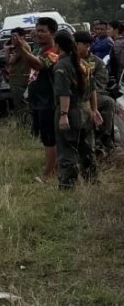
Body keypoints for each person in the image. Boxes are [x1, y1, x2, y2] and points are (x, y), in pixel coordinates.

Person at [14, 17, 61, 181]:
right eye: (37, 30)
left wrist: (22, 49)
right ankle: (53, 167)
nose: (39, 34)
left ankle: (49, 174)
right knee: (45, 137)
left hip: (49, 101)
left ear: (52, 33)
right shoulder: (40, 49)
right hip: (39, 101)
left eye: (43, 31)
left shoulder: (55, 52)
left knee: (50, 138)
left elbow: (39, 65)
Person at [54, 31, 101, 189]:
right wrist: (94, 110)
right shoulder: (84, 64)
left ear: (57, 46)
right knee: (87, 148)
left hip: (71, 111)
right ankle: (92, 180)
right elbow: (93, 89)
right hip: (86, 110)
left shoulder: (62, 65)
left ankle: (68, 185)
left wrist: (63, 115)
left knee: (67, 149)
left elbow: (64, 93)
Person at [77, 31, 114, 157]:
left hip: (91, 95)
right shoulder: (68, 60)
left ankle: (104, 139)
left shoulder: (96, 62)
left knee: (108, 102)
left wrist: (88, 95)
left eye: (79, 44)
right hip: (72, 98)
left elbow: (100, 82)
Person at [5, 27, 32, 124]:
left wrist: (7, 52)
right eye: (11, 37)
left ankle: (24, 124)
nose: (13, 39)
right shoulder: (20, 47)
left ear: (22, 37)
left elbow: (10, 61)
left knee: (20, 103)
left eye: (15, 37)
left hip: (19, 80)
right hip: (18, 78)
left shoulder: (22, 47)